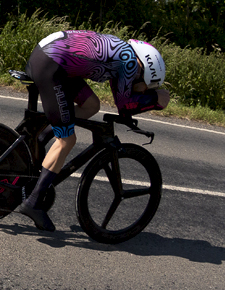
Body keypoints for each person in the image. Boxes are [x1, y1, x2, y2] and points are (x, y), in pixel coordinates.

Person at [16, 30, 170, 231]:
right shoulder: (131, 63)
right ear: (144, 70)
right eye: (146, 86)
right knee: (67, 140)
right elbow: (125, 107)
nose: (142, 89)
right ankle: (33, 203)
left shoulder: (124, 54)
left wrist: (147, 97)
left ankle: (42, 137)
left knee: (91, 105)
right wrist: (156, 101)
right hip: (51, 66)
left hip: (51, 59)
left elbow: (120, 98)